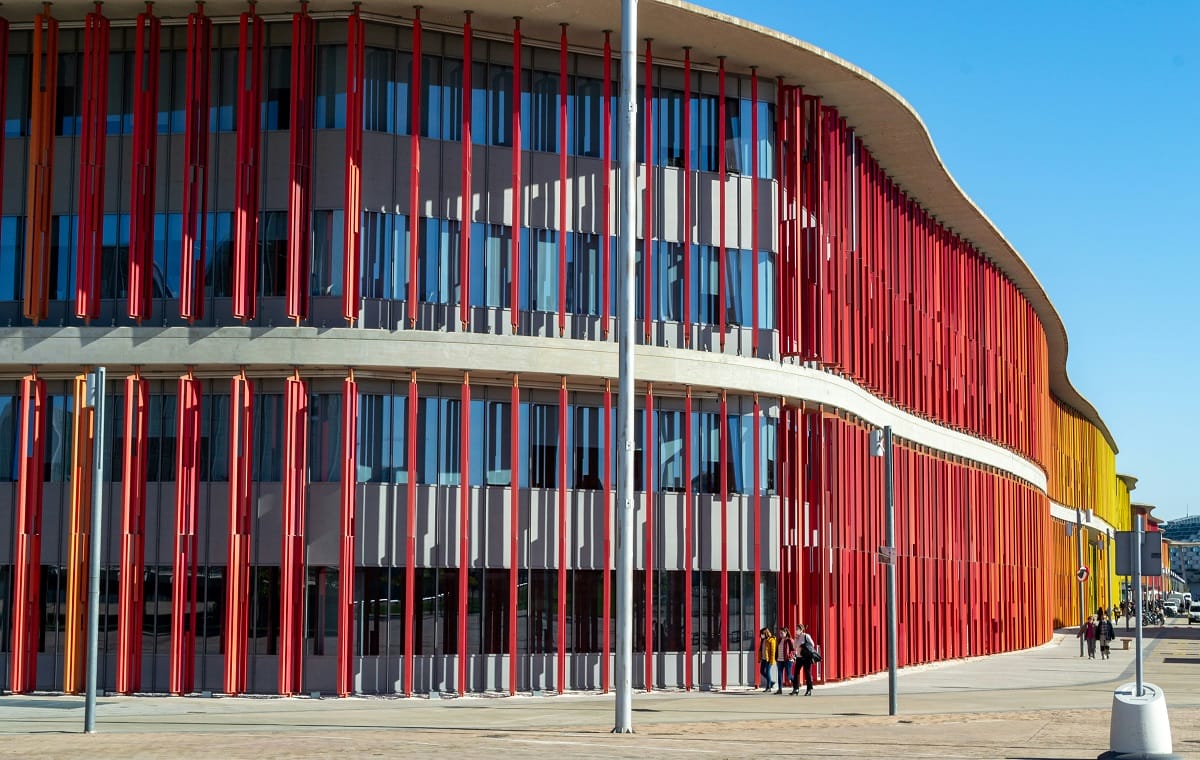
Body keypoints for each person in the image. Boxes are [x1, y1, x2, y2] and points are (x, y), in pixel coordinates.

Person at [790, 623, 817, 696]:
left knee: (807, 673)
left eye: (797, 629)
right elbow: (794, 647)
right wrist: (796, 638)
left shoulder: (806, 636)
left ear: (801, 630)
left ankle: (809, 689)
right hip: (799, 657)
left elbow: (812, 644)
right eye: (796, 629)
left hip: (806, 657)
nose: (796, 630)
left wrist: (804, 645)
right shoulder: (797, 637)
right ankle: (796, 689)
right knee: (796, 673)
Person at [775, 627, 795, 695]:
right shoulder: (779, 640)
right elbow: (777, 650)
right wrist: (776, 658)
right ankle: (780, 689)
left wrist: (790, 656)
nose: (780, 634)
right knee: (780, 675)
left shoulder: (789, 640)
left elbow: (793, 650)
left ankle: (796, 685)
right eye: (780, 633)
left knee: (789, 675)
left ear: (786, 632)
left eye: (782, 633)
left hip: (788, 660)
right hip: (780, 660)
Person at [758, 627, 776, 692]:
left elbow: (773, 651)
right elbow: (761, 650)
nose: (761, 635)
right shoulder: (763, 640)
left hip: (769, 659)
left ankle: (768, 687)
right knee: (762, 671)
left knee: (768, 671)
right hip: (764, 658)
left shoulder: (771, 639)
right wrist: (760, 658)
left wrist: (772, 660)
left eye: (762, 634)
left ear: (765, 633)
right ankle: (771, 682)